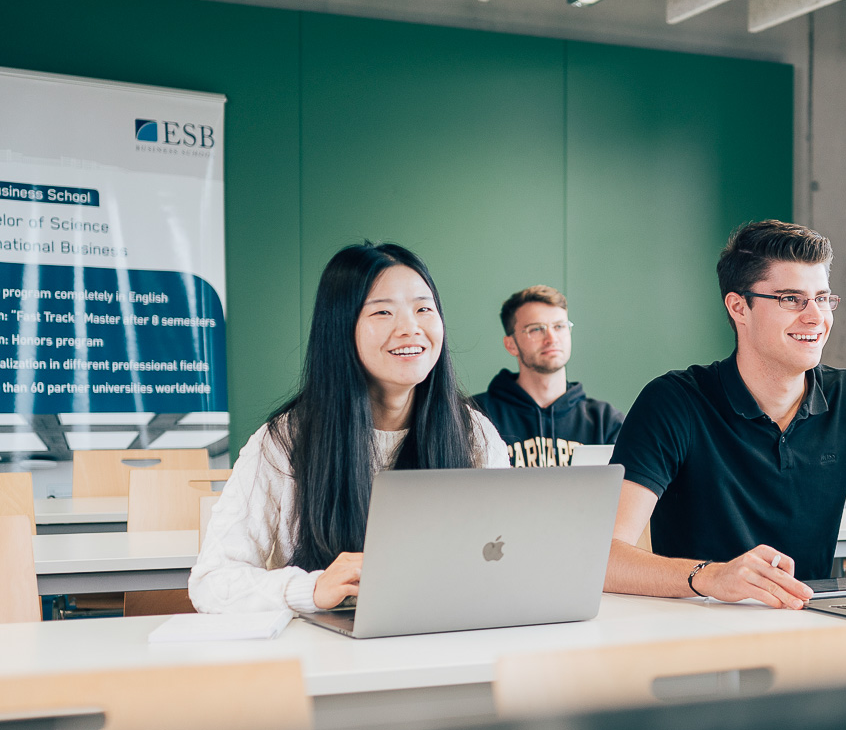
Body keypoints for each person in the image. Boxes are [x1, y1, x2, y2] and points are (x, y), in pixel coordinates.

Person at [190, 243, 509, 614]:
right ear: (340, 328)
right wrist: (310, 589)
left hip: (443, 639)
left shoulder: (474, 433)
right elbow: (211, 583)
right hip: (325, 654)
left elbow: (505, 556)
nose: (410, 328)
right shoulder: (284, 442)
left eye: (424, 308)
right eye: (383, 312)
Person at [606, 220, 846, 608]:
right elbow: (606, 560)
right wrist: (712, 576)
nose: (816, 317)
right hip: (699, 633)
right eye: (791, 299)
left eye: (822, 298)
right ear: (738, 307)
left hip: (810, 629)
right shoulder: (673, 401)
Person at [473, 284, 624, 467]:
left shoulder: (605, 421)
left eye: (559, 326)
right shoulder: (476, 415)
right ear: (511, 344)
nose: (552, 338)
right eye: (536, 329)